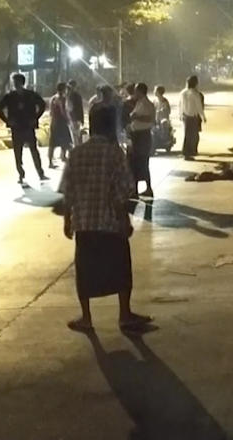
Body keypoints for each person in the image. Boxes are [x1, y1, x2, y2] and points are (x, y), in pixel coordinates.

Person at [59, 106, 151, 334]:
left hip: (84, 223)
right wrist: (125, 221)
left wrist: (68, 221)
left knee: (85, 271)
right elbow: (123, 192)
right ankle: (124, 314)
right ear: (111, 127)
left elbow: (67, 190)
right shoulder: (114, 153)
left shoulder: (76, 153)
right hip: (110, 223)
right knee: (120, 269)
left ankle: (87, 317)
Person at [0, 73, 49, 184]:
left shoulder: (31, 95)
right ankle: (21, 174)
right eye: (14, 82)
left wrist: (36, 117)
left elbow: (42, 105)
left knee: (34, 151)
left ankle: (40, 173)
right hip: (17, 127)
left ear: (21, 83)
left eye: (16, 82)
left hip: (28, 127)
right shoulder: (10, 96)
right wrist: (7, 121)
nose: (15, 84)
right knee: (18, 152)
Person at [128, 82, 156, 197]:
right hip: (137, 135)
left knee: (142, 162)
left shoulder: (147, 104)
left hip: (142, 136)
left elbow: (150, 119)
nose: (134, 93)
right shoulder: (139, 103)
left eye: (136, 90)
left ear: (141, 91)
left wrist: (136, 117)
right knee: (135, 163)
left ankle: (146, 188)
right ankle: (135, 189)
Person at [180, 75, 206, 161]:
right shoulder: (195, 94)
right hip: (193, 117)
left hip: (185, 116)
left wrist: (180, 115)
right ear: (196, 83)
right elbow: (199, 107)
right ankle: (188, 153)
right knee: (193, 136)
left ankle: (187, 152)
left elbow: (180, 105)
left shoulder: (183, 93)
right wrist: (203, 116)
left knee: (188, 135)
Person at [47, 82, 73, 169]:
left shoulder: (53, 98)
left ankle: (51, 161)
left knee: (52, 143)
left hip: (54, 122)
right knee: (67, 140)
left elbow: (50, 112)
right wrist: (68, 119)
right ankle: (66, 157)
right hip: (61, 122)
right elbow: (63, 110)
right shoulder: (62, 98)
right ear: (63, 89)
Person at [67, 80, 85, 146]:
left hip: (73, 118)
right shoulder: (75, 95)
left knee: (75, 136)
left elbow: (71, 108)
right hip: (74, 118)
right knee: (75, 135)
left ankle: (76, 149)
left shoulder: (72, 95)